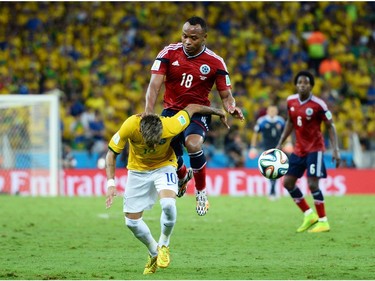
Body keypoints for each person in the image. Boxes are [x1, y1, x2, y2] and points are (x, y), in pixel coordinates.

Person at [105, 104, 229, 275]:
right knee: (131, 222)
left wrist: (218, 112)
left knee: (169, 205)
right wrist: (110, 183)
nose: (154, 147)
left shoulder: (171, 124)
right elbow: (111, 153)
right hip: (137, 171)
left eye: (159, 142)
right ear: (140, 132)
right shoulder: (129, 126)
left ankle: (164, 244)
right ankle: (154, 251)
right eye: (151, 143)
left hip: (165, 166)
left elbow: (192, 108)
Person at [143, 16, 244, 216]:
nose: (187, 41)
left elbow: (226, 95)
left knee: (193, 144)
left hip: (198, 111)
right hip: (171, 111)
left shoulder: (216, 62)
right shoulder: (169, 53)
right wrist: (148, 111)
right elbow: (154, 85)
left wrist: (231, 107)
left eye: (194, 38)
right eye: (185, 36)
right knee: (167, 152)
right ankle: (182, 175)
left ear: (204, 38)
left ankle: (201, 192)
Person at [276, 70, 341, 233]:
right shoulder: (291, 101)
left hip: (315, 149)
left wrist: (336, 149)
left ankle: (323, 221)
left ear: (311, 85)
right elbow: (289, 122)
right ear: (296, 85)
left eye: (305, 83)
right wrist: (280, 143)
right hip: (299, 149)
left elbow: (330, 126)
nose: (302, 85)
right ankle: (308, 214)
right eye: (299, 83)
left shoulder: (319, 105)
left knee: (312, 184)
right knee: (288, 182)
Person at [250, 105, 285, 200]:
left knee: (276, 169)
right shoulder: (262, 121)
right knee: (270, 169)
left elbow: (286, 132)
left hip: (278, 148)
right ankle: (272, 191)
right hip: (266, 148)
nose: (272, 112)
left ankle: (272, 191)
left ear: (277, 111)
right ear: (267, 111)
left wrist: (289, 143)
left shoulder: (281, 121)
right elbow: (255, 134)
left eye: (274, 110)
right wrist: (253, 147)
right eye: (271, 110)